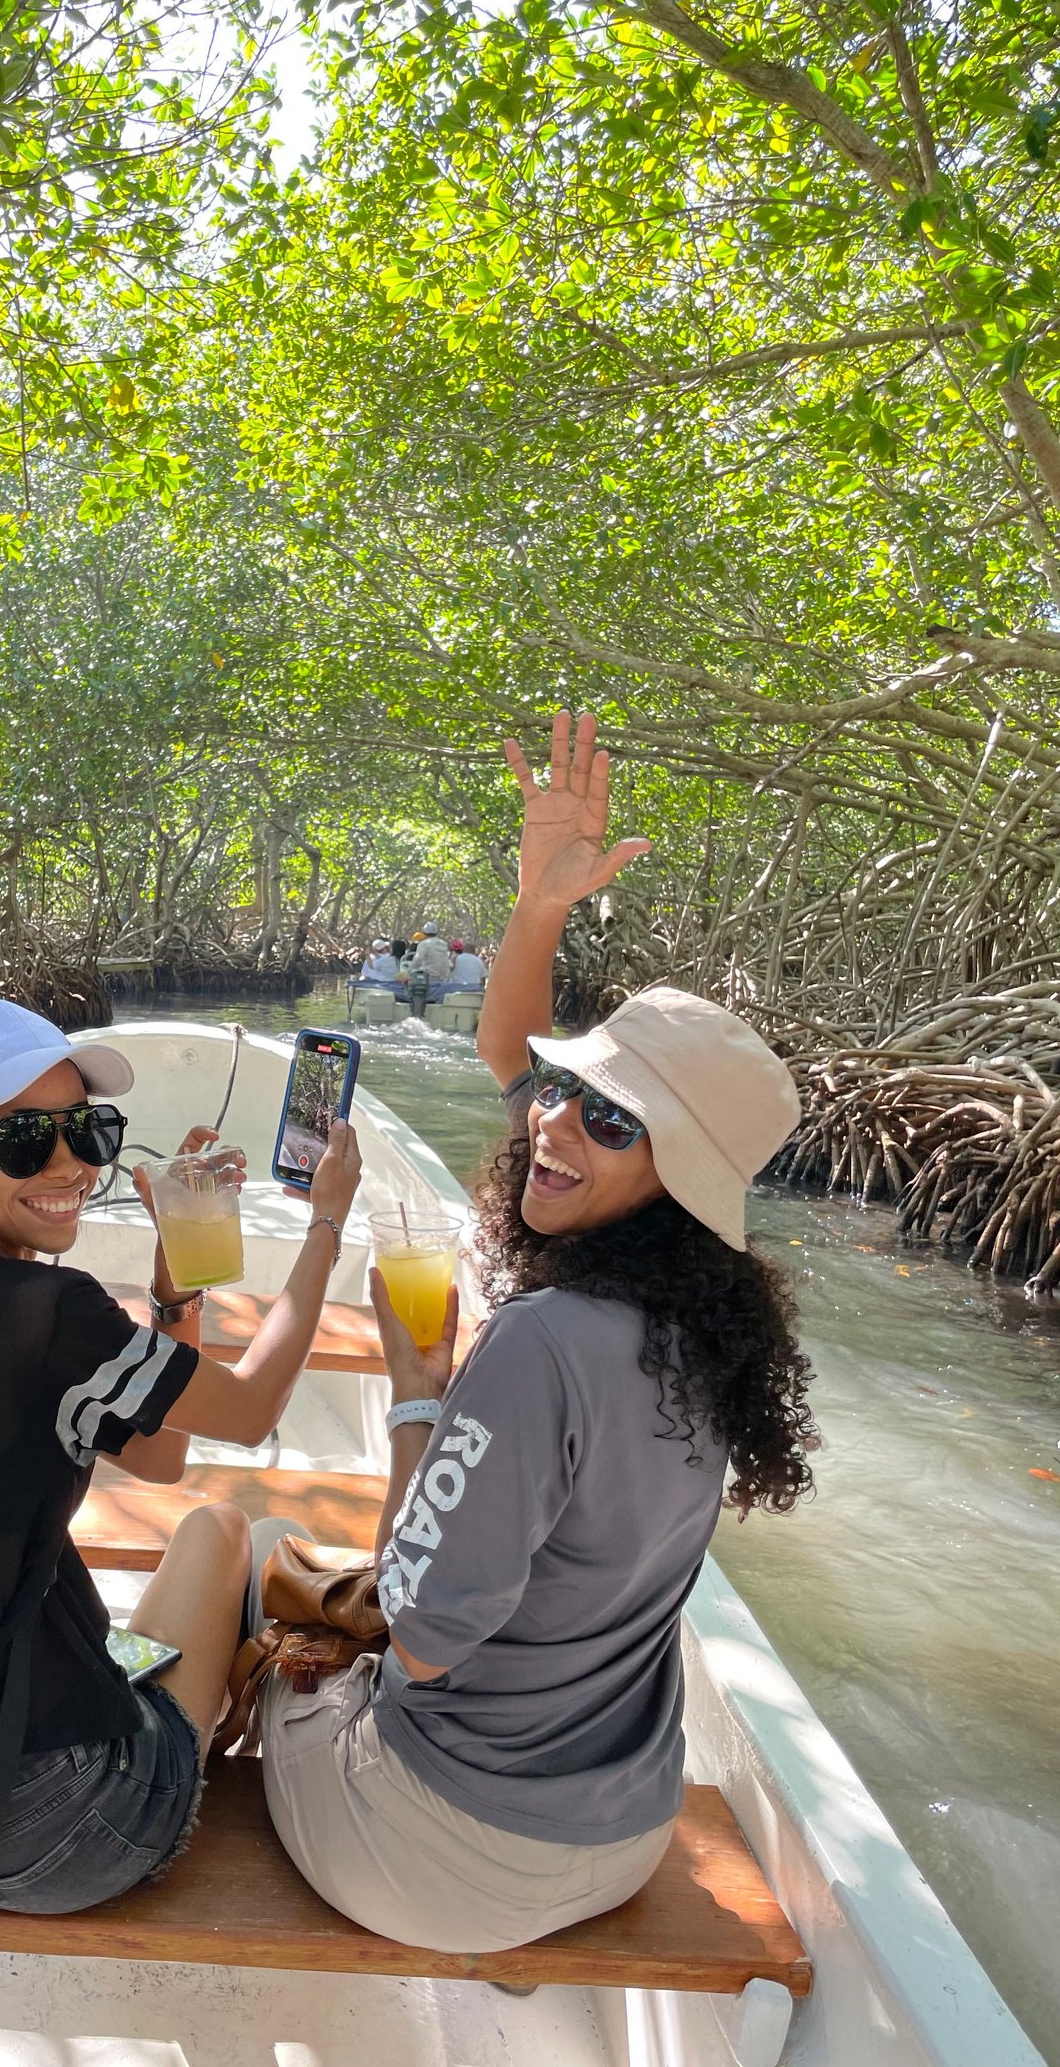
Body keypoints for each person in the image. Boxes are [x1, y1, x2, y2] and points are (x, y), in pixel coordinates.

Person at [256, 709, 815, 1955]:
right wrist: (539, 903)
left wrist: (418, 1393)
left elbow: (425, 1636)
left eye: (608, 1119)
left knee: (252, 1596)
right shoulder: (703, 1328)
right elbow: (510, 1050)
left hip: (445, 1858)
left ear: (674, 1175)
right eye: (566, 1090)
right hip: (614, 1844)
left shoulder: (543, 1344)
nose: (554, 1124)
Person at [0, 996, 361, 1913]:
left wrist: (176, 1287)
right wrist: (325, 1224)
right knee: (222, 1531)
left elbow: (157, 1458)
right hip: (61, 1827)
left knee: (149, 1595)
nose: (67, 1166)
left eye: (87, 1131)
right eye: (22, 1141)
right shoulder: (47, 1314)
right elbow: (250, 1412)